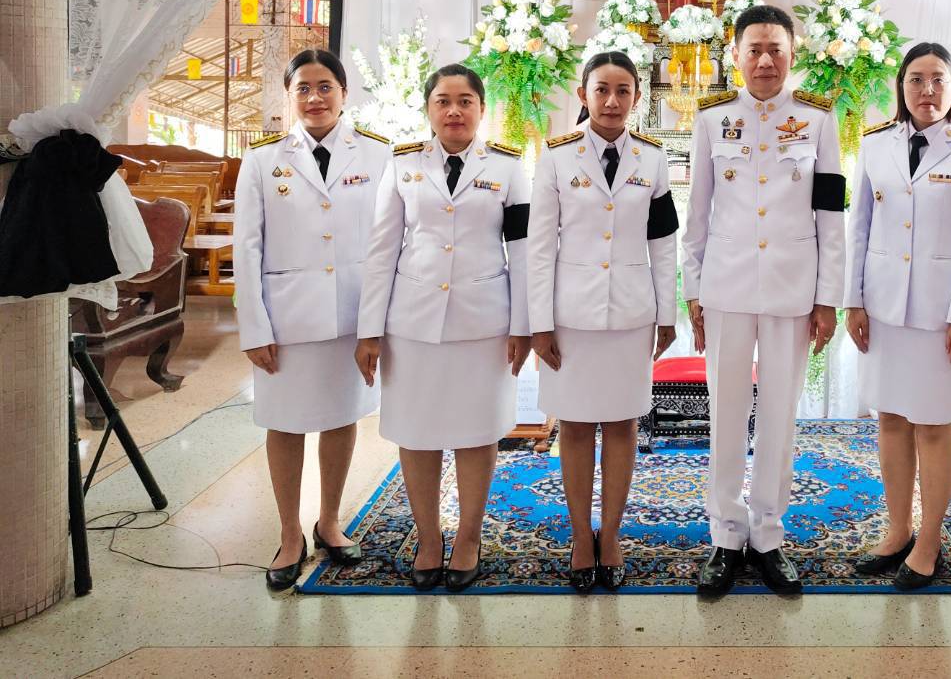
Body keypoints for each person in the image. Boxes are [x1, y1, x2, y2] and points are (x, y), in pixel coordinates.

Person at [683, 4, 846, 597]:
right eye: (753, 49)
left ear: (792, 55)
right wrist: (693, 291)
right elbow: (696, 215)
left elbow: (831, 215)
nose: (765, 60)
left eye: (776, 48)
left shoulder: (819, 122)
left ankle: (770, 536)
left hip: (791, 289)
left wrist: (828, 297)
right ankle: (726, 536)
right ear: (735, 56)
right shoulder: (711, 121)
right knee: (726, 412)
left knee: (779, 415)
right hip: (726, 287)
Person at [355, 64, 532, 593]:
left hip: (483, 323)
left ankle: (469, 538)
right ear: (429, 109)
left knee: (477, 431)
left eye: (465, 101)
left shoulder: (507, 167)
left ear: (482, 108)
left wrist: (523, 326)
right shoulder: (402, 164)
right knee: (417, 430)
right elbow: (381, 248)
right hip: (412, 322)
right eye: (442, 101)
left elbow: (522, 254)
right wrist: (370, 330)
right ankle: (429, 537)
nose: (454, 110)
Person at [844, 42, 951, 591]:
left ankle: (929, 538)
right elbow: (858, 228)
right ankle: (897, 529)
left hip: (941, 314)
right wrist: (853, 299)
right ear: (901, 86)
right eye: (916, 79)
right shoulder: (873, 146)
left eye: (938, 79)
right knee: (890, 418)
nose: (927, 90)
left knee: (933, 424)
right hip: (885, 308)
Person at [234, 47, 393, 591]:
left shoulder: (377, 156)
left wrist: (376, 325)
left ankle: (329, 521)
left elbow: (387, 244)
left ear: (344, 93)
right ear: (290, 95)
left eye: (325, 86)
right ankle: (288, 534)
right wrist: (254, 328)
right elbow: (247, 248)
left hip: (350, 316)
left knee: (339, 417)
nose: (315, 97)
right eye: (303, 88)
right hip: (287, 320)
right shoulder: (262, 160)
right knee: (284, 424)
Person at [526, 51, 679, 593]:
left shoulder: (653, 159)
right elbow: (539, 248)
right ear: (584, 96)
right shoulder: (556, 157)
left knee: (621, 423)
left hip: (632, 313)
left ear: (637, 97)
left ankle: (610, 535)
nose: (612, 101)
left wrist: (667, 311)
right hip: (571, 316)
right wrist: (538, 321)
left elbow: (663, 242)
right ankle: (578, 536)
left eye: (623, 91)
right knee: (574, 424)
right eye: (601, 90)